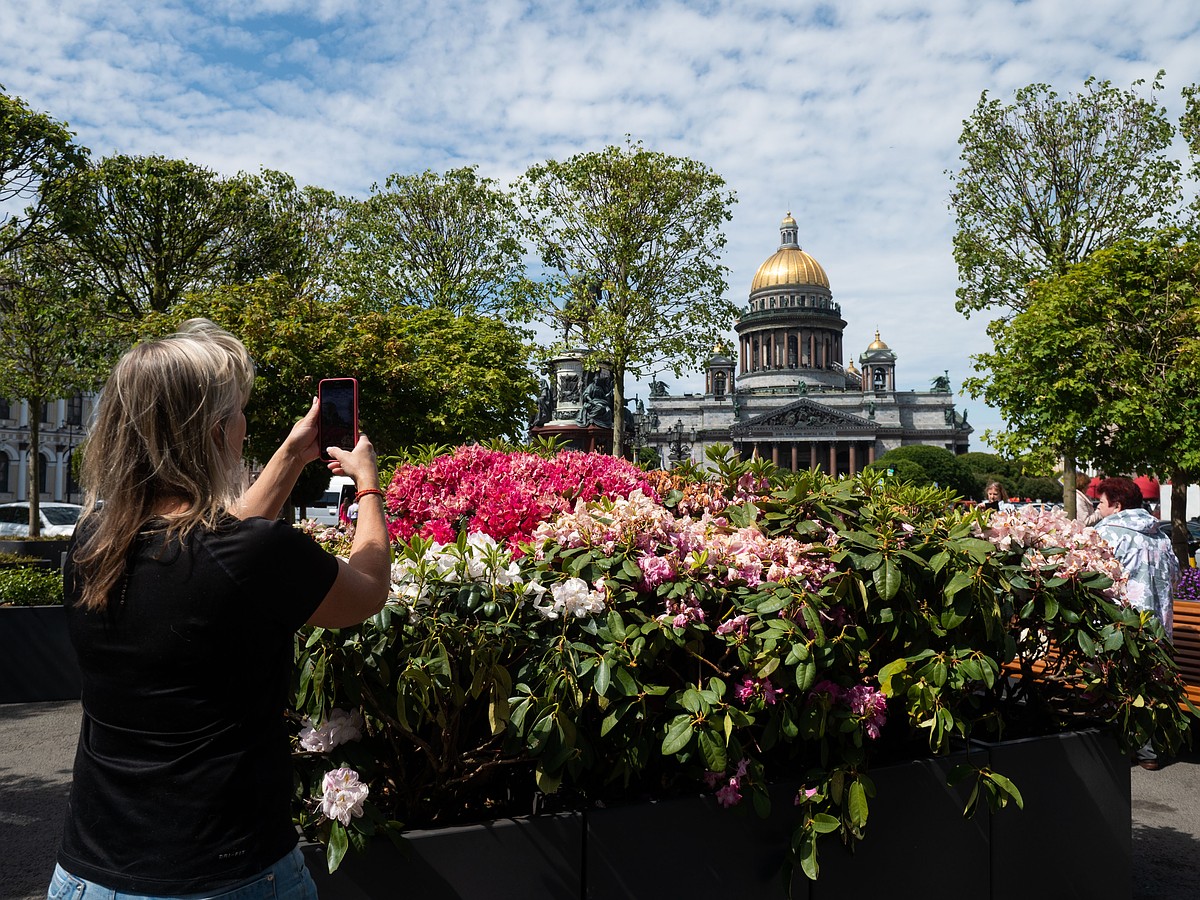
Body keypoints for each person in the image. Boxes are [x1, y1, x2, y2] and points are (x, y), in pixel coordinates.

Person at [48, 320, 391, 898]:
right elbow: (366, 590)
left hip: (89, 874)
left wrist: (290, 455)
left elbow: (221, 547)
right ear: (211, 432)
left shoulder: (90, 544)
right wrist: (368, 487)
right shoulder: (254, 555)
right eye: (236, 412)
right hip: (226, 876)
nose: (244, 424)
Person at [1093, 476, 1179, 770]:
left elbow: (1092, 577)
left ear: (1116, 505)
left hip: (1120, 624)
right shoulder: (1160, 534)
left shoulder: (1107, 532)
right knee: (1149, 684)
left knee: (1116, 681)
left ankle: (1121, 748)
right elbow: (1175, 575)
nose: (1098, 507)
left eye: (1101, 502)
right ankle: (1149, 752)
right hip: (1157, 627)